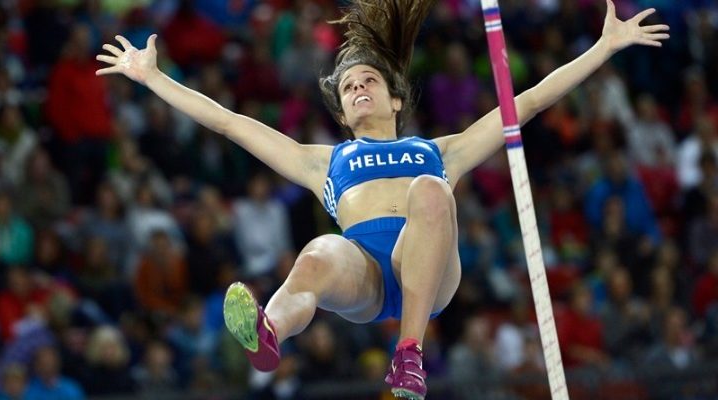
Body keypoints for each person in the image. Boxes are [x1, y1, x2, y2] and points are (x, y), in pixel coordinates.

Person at [97, 1, 669, 398]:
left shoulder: (439, 150)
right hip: (366, 275)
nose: (358, 88)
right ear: (344, 114)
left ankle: (408, 355)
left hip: (428, 268)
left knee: (431, 189)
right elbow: (229, 122)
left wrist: (604, 47)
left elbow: (530, 102)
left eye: (368, 80)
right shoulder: (324, 161)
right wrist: (153, 78)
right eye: (349, 88)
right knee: (317, 253)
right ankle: (268, 335)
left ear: (396, 100)